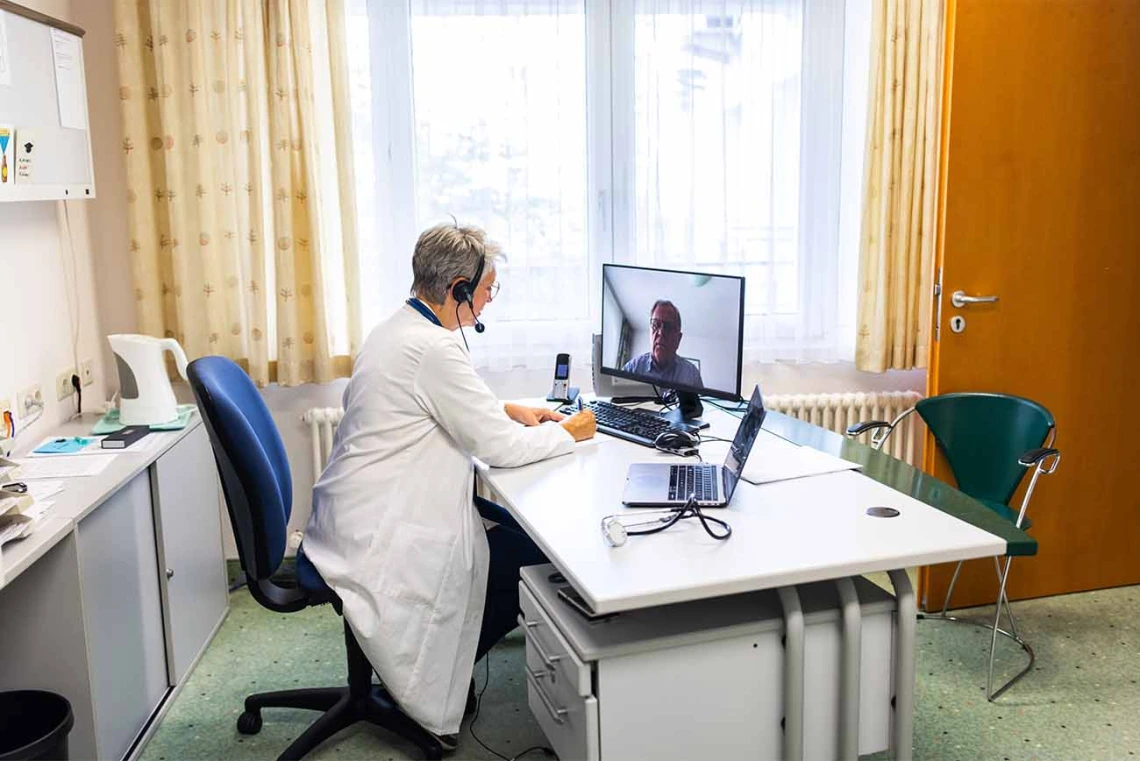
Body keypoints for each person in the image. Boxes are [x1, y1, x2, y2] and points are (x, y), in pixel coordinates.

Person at [302, 224, 596, 751]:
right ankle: (425, 692)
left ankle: (444, 675)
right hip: (379, 533)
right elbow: (501, 449)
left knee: (503, 537)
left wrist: (505, 409)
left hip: (347, 515)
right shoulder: (433, 349)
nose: (486, 303)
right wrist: (566, 431)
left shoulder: (397, 329)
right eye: (486, 291)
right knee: (528, 559)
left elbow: (425, 405)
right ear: (460, 287)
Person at [621, 299, 704, 389]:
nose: (660, 332)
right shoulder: (632, 369)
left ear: (678, 339)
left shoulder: (692, 375)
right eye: (655, 324)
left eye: (668, 327)